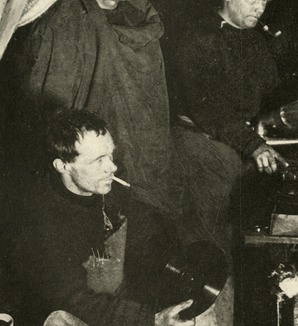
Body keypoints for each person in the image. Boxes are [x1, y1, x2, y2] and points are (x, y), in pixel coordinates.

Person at [17, 0, 174, 215]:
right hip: (90, 166)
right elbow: (49, 107)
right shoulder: (63, 24)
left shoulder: (142, 15)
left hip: (146, 155)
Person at [6, 109, 192, 326]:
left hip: (111, 303)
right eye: (99, 160)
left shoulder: (107, 188)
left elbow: (148, 230)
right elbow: (76, 302)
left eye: (111, 155)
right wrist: (151, 318)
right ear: (63, 166)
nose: (112, 167)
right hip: (69, 313)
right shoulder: (41, 224)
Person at [174, 0, 285, 250]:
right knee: (216, 239)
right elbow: (210, 109)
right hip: (201, 144)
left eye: (264, 1)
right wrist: (253, 144)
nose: (259, 9)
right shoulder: (199, 38)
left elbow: (272, 92)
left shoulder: (255, 38)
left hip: (237, 140)